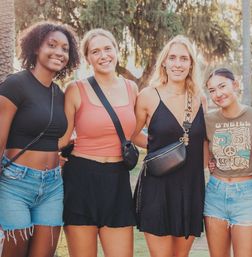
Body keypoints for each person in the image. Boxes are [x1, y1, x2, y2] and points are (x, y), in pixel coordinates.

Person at [60, 28, 145, 257]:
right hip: (80, 179)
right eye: (95, 51)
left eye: (108, 49)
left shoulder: (132, 88)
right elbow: (62, 140)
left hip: (117, 180)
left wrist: (174, 144)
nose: (103, 55)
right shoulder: (75, 90)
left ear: (117, 51)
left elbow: (135, 134)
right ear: (87, 58)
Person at [0, 21, 79, 257]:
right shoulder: (15, 85)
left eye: (65, 49)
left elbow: (56, 138)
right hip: (15, 183)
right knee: (15, 249)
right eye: (52, 45)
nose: (59, 52)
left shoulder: (60, 94)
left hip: (52, 187)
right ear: (36, 48)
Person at [133, 35, 206, 257]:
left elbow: (204, 139)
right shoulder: (148, 95)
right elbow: (132, 134)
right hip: (158, 187)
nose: (177, 63)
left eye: (184, 58)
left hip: (191, 187)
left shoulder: (200, 98)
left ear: (191, 64)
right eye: (172, 57)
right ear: (163, 62)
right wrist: (161, 150)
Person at [204, 68, 252, 257]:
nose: (218, 94)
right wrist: (211, 162)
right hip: (215, 194)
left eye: (222, 86)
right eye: (212, 90)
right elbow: (203, 157)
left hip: (247, 196)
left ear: (235, 85)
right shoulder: (207, 120)